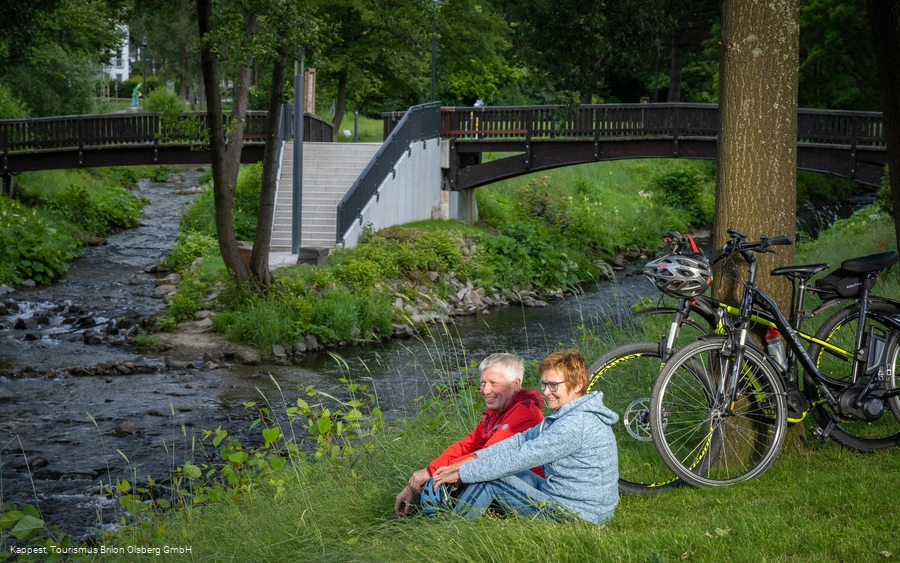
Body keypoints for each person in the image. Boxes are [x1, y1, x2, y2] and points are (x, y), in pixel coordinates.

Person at [432, 349, 619, 524]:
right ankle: (460, 512)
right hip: (568, 498)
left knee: (490, 480)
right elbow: (520, 440)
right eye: (544, 384)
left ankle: (452, 534)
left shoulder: (576, 424)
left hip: (579, 514)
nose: (546, 392)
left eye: (553, 385)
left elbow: (520, 457)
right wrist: (472, 459)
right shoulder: (571, 414)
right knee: (493, 470)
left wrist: (462, 473)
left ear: (577, 385)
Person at [394, 353, 545, 516]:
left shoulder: (524, 412)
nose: (486, 390)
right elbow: (465, 446)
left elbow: (489, 455)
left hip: (526, 491)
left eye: (494, 383)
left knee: (447, 482)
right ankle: (405, 519)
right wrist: (427, 472)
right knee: (437, 482)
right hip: (504, 481)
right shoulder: (495, 415)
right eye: (483, 383)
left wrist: (434, 474)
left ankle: (449, 533)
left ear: (515, 385)